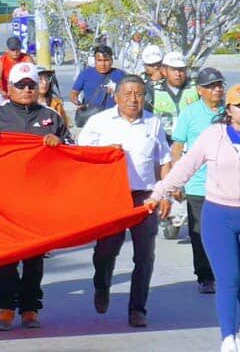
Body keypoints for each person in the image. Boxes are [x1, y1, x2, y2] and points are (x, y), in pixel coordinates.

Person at [146, 84, 240, 352]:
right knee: (227, 278)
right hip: (218, 216)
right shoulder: (213, 136)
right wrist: (159, 194)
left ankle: (234, 333)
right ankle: (227, 338)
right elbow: (185, 167)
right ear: (229, 109)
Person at [0, 63, 71, 330]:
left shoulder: (51, 116)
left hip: (39, 201)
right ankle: (5, 307)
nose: (27, 90)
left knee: (34, 259)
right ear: (9, 88)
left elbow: (74, 150)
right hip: (3, 202)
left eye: (31, 85)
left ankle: (29, 309)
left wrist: (58, 143)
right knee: (5, 258)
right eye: (21, 85)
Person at [76, 75, 171, 328]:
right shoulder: (99, 122)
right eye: (127, 94)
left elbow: (164, 161)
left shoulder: (153, 123)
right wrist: (104, 151)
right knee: (107, 250)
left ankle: (137, 309)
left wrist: (164, 194)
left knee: (145, 255)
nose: (133, 99)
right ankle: (101, 284)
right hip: (112, 197)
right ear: (116, 96)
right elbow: (80, 154)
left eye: (138, 94)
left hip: (144, 197)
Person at [169, 67, 226, 294]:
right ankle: (205, 276)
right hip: (197, 185)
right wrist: (177, 180)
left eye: (220, 84)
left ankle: (224, 272)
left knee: (223, 233)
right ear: (200, 90)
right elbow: (178, 148)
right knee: (200, 232)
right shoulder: (189, 114)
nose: (218, 89)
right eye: (212, 86)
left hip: (226, 185)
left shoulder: (230, 112)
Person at [70, 45, 126, 127]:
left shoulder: (120, 74)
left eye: (106, 60)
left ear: (111, 60)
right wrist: (76, 101)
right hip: (92, 120)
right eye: (99, 60)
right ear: (95, 60)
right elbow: (74, 92)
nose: (103, 64)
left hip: (115, 120)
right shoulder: (86, 73)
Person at [147, 51, 199, 139]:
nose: (178, 74)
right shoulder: (153, 91)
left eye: (181, 70)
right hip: (164, 143)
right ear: (164, 71)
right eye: (173, 69)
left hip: (192, 142)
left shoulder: (196, 88)